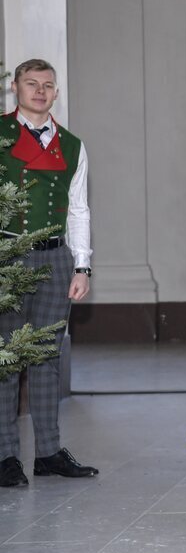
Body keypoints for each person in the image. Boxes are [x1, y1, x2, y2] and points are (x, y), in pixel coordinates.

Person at [0, 59, 97, 488]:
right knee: (6, 358)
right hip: (6, 256)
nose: (40, 91)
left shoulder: (73, 145)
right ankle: (5, 456)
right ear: (16, 89)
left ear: (56, 93)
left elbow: (78, 210)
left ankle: (48, 452)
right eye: (31, 84)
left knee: (45, 358)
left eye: (47, 86)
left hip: (56, 258)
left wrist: (82, 264)